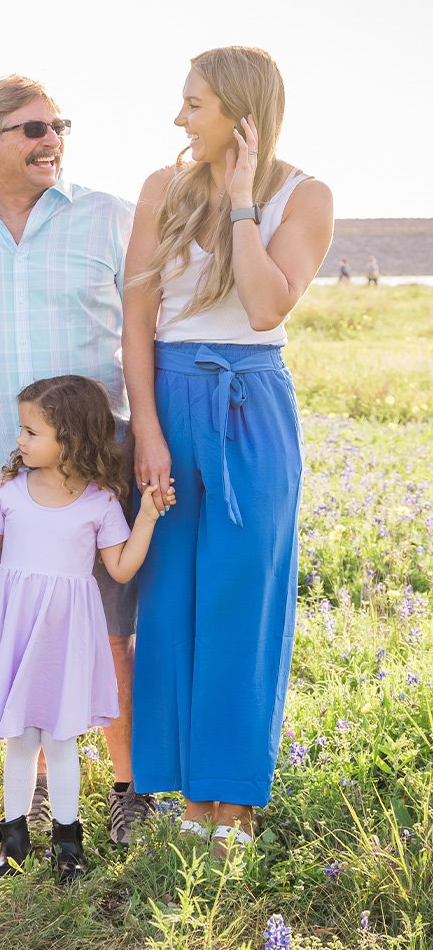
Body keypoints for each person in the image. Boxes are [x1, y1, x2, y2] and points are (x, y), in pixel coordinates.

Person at [0, 75, 151, 845]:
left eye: (58, 126)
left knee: (110, 631)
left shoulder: (109, 216)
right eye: (32, 129)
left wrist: (144, 433)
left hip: (95, 466)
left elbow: (141, 334)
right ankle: (45, 789)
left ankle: (128, 785)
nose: (51, 139)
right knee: (17, 631)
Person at [123, 46, 334, 857]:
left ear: (242, 115)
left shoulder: (305, 195)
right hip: (170, 397)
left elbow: (266, 305)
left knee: (245, 599)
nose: (179, 118)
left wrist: (244, 202)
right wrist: (147, 430)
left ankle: (235, 798)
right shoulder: (162, 188)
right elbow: (136, 320)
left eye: (195, 104)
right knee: (170, 598)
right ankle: (189, 789)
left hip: (253, 400)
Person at [0, 376, 173, 881]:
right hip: (19, 629)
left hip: (64, 637)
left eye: (31, 432)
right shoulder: (11, 494)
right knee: (20, 737)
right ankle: (13, 841)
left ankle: (67, 842)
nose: (20, 439)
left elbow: (121, 569)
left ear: (70, 440)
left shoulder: (99, 502)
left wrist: (146, 517)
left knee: (59, 739)